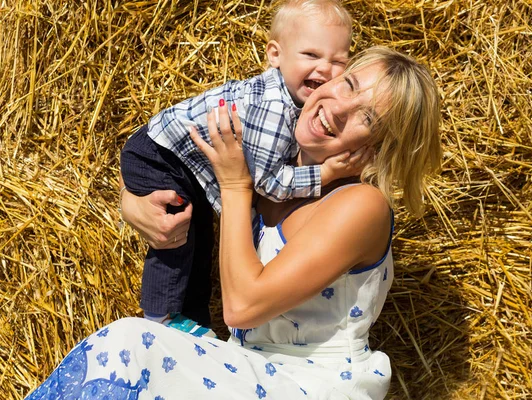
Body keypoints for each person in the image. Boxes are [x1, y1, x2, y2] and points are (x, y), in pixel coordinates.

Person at [27, 46, 441, 399]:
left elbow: (243, 307)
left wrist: (234, 185)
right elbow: (162, 146)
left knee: (130, 343)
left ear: (378, 150)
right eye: (348, 85)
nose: (337, 109)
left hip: (308, 385)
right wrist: (131, 203)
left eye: (367, 118)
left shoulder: (360, 205)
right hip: (243, 367)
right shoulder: (271, 163)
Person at [119, 0, 353, 329]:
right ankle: (161, 318)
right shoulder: (274, 107)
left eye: (338, 61)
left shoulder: (295, 103)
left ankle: (191, 320)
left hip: (177, 157)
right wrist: (325, 173)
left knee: (200, 244)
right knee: (177, 236)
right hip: (161, 155)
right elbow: (268, 182)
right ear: (275, 54)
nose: (326, 69)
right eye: (311, 55)